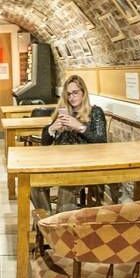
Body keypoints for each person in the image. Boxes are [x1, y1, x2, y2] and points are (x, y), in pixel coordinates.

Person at [32, 74, 108, 215]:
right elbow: (45, 142)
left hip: (83, 166)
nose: (71, 97)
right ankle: (47, 221)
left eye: (75, 93)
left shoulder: (95, 112)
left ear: (83, 93)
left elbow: (101, 141)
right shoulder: (63, 111)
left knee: (66, 188)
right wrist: (52, 128)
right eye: (68, 94)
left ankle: (62, 224)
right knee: (35, 184)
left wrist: (80, 127)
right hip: (60, 164)